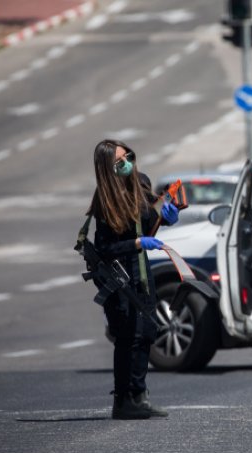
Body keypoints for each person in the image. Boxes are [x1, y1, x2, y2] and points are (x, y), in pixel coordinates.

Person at [87, 139, 179, 420]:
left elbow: (151, 220)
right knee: (127, 336)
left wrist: (168, 215)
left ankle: (139, 395)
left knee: (147, 331)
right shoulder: (104, 199)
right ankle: (123, 400)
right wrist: (137, 242)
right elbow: (105, 248)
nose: (126, 163)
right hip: (120, 275)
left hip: (141, 270)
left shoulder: (140, 184)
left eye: (128, 156)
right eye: (119, 161)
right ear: (107, 167)